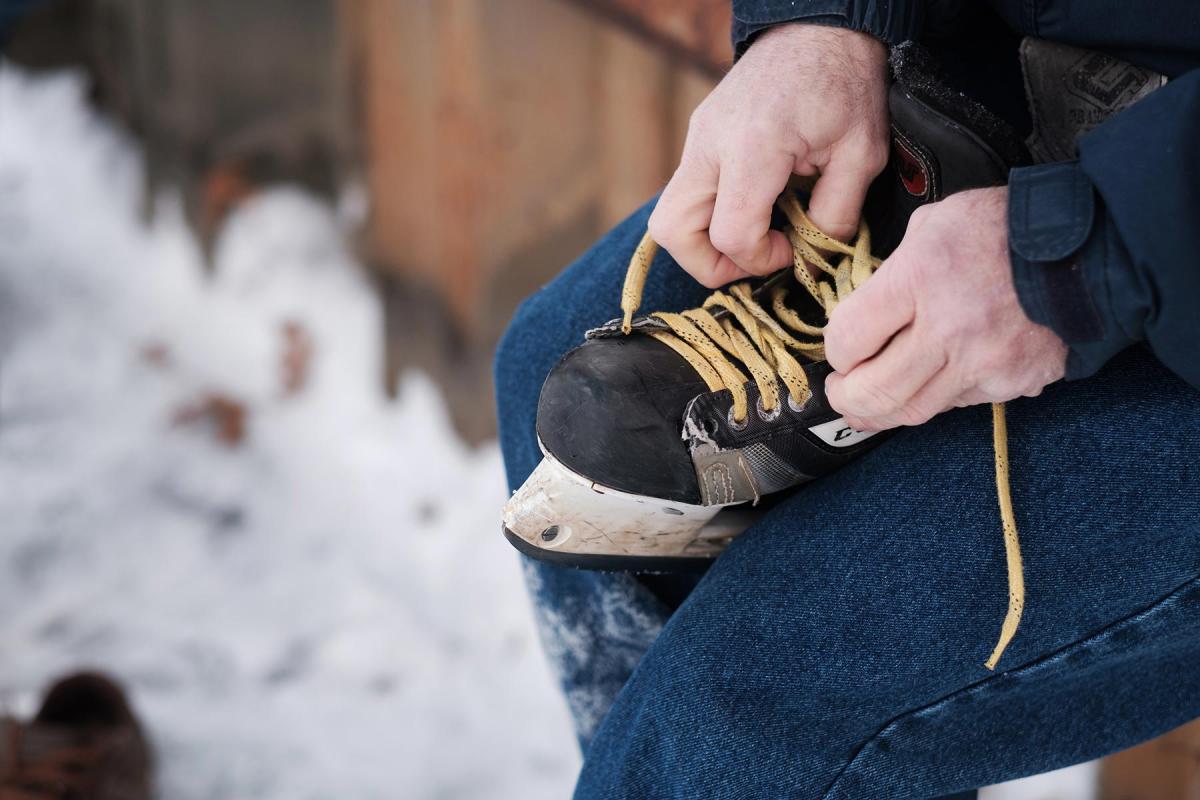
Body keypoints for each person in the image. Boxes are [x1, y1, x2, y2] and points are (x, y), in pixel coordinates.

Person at [495, 1, 1200, 797]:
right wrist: (819, 23)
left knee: (742, 703)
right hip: (1008, 103)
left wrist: (1092, 253)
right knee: (549, 381)